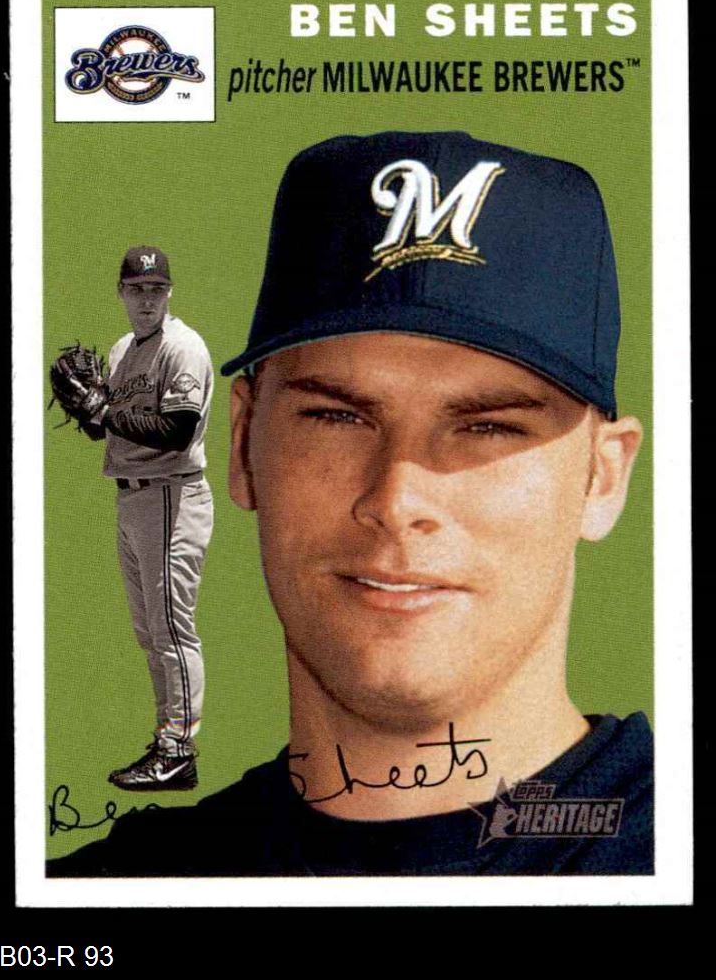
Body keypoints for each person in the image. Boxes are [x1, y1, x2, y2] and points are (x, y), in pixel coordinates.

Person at [47, 132, 652, 876]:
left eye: (488, 426)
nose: (396, 499)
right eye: (337, 417)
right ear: (242, 446)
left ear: (602, 477)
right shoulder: (108, 889)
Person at [81, 246, 214, 791]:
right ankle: (167, 741)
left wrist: (105, 410)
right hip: (132, 498)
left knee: (172, 632)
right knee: (150, 633)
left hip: (170, 497)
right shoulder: (121, 350)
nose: (146, 299)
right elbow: (103, 429)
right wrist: (87, 409)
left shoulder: (182, 347)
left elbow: (177, 430)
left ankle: (178, 750)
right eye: (136, 289)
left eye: (156, 289)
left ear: (169, 293)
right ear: (121, 292)